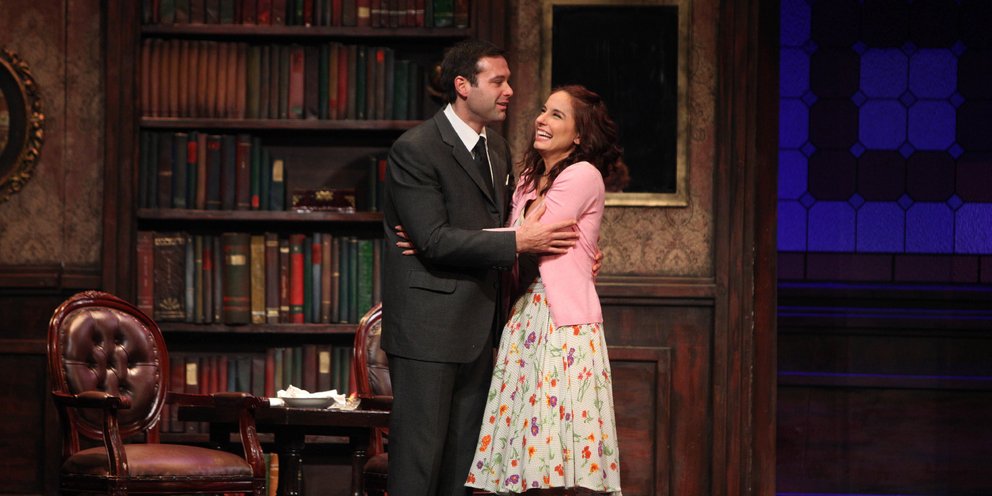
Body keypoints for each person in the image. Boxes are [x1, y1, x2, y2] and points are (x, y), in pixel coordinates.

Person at [380, 40, 582, 496]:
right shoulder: (416, 148)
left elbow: (498, 230)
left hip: (480, 328)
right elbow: (433, 239)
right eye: (498, 81)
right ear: (463, 85)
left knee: (463, 471)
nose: (509, 91)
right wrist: (513, 241)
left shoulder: (497, 149)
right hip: (428, 332)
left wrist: (574, 254)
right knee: (418, 467)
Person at [464, 85, 626, 495]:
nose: (541, 119)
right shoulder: (525, 180)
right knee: (522, 451)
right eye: (543, 110)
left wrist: (445, 240)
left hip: (562, 324)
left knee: (553, 450)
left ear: (579, 135)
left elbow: (531, 235)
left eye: (557, 115)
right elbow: (516, 239)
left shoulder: (581, 175)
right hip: (525, 317)